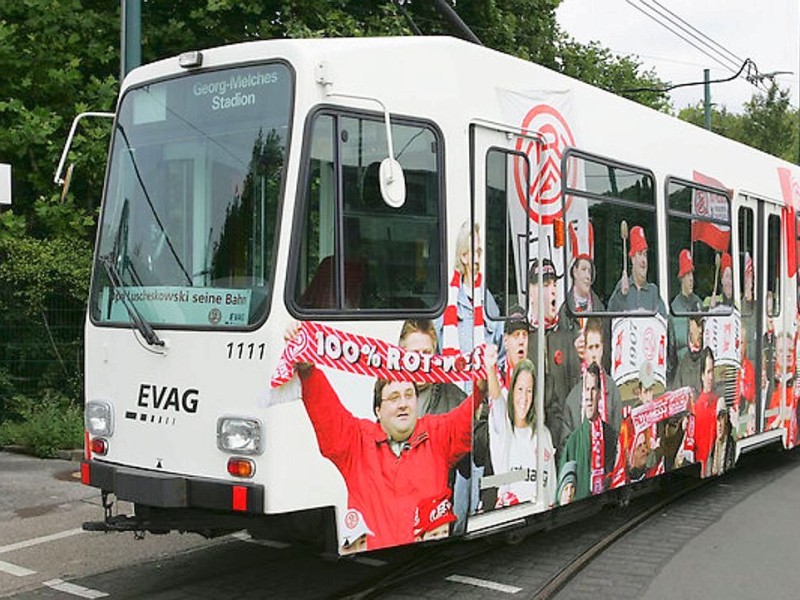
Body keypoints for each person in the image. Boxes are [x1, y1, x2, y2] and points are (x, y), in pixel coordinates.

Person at [295, 361, 484, 550]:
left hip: (426, 564)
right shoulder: (356, 440)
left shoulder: (437, 434)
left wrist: (480, 389)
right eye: (393, 398)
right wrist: (308, 372)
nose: (403, 404)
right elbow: (326, 411)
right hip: (378, 567)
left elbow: (465, 416)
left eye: (409, 396)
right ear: (378, 410)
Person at [485, 351, 556, 508]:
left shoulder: (543, 434)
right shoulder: (504, 429)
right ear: (512, 391)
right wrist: (490, 368)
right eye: (520, 389)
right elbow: (497, 402)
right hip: (510, 520)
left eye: (529, 390)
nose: (524, 398)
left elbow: (551, 488)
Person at [437, 221, 503, 360]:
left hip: (482, 380)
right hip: (453, 381)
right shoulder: (446, 300)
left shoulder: (487, 300)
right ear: (463, 256)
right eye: (474, 253)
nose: (478, 259)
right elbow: (435, 349)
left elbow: (501, 348)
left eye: (479, 252)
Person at [526, 257, 573, 449]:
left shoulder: (567, 336)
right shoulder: (522, 337)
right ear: (532, 291)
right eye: (545, 284)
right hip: (530, 442)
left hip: (562, 441)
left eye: (554, 284)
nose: (552, 289)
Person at [559, 363, 617, 501]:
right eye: (586, 390)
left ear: (600, 394)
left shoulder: (610, 435)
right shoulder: (573, 440)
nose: (589, 397)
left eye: (593, 390)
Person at [561, 317, 623, 442]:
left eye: (597, 347)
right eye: (590, 347)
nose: (594, 354)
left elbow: (619, 434)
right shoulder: (574, 397)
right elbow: (566, 443)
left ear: (603, 348)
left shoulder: (613, 390)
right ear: (584, 351)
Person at [608, 225, 668, 316]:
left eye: (645, 255)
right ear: (632, 259)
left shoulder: (653, 291)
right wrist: (621, 295)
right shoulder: (623, 286)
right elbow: (609, 319)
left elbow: (665, 321)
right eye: (640, 254)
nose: (644, 260)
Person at [670, 249, 702, 361]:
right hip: (681, 364)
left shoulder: (698, 303)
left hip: (698, 363)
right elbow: (672, 346)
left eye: (692, 274)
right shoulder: (675, 308)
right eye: (687, 274)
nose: (691, 279)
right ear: (681, 277)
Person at [694, 347, 719, 477]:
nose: (711, 377)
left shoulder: (719, 402)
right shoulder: (696, 408)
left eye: (712, 371)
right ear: (702, 375)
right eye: (708, 372)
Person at [671, 315, 705, 394]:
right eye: (698, 325)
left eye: (702, 325)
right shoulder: (684, 362)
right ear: (690, 325)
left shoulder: (707, 356)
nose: (700, 331)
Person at [707, 397, 735, 476]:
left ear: (726, 420)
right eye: (717, 420)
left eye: (721, 418)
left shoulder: (733, 445)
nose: (719, 424)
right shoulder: (712, 450)